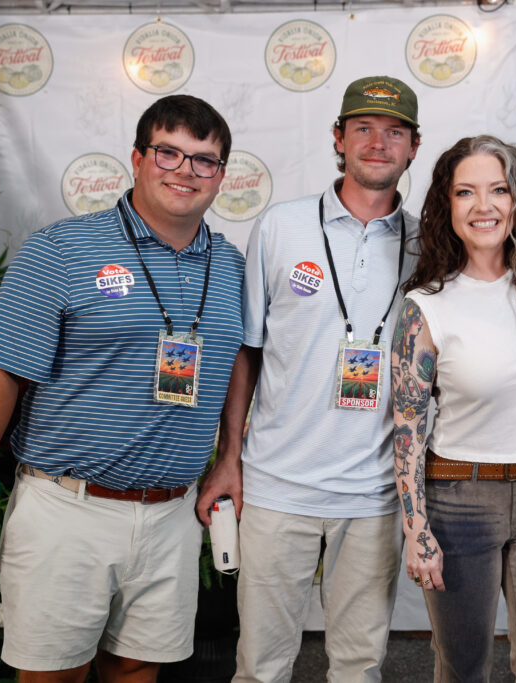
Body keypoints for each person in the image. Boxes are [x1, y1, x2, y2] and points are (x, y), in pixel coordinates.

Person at [0, 95, 245, 681]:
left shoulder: (232, 268)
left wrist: (229, 459)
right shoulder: (61, 250)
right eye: (168, 152)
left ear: (220, 175)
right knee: (53, 675)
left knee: (135, 670)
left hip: (172, 513)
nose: (186, 170)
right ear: (137, 159)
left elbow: (238, 366)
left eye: (204, 160)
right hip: (67, 508)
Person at [194, 75, 421, 683]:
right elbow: (247, 352)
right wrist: (229, 458)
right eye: (363, 128)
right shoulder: (282, 227)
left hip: (374, 495)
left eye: (394, 131)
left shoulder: (433, 244)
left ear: (414, 146)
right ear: (338, 138)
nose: (378, 143)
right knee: (260, 666)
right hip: (276, 487)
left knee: (358, 667)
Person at [392, 135, 516, 681]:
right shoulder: (426, 306)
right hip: (459, 501)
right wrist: (417, 530)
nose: (483, 206)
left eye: (498, 189)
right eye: (465, 192)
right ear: (446, 205)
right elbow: (407, 429)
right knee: (462, 669)